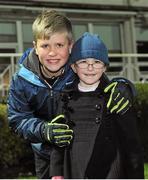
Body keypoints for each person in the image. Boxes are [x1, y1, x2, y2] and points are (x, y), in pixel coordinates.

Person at [7, 10, 136, 179]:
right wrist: (44, 130)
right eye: (45, 46)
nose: (52, 53)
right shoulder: (20, 80)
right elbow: (17, 118)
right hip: (44, 153)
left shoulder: (78, 69)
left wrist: (125, 87)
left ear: (70, 46)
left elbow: (104, 86)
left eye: (59, 45)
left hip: (77, 151)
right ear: (35, 47)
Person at [50, 32, 144, 179]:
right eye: (83, 62)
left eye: (97, 62)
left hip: (111, 170)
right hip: (75, 169)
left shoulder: (116, 97)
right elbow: (59, 139)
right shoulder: (65, 98)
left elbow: (132, 144)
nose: (90, 67)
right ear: (74, 67)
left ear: (105, 67)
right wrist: (56, 171)